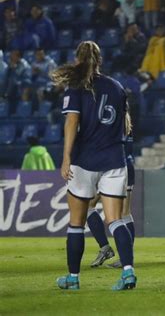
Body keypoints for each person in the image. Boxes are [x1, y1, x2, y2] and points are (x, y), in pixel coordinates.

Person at [52, 41, 136, 290]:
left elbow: (71, 123)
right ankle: (128, 273)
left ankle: (73, 279)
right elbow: (125, 125)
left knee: (76, 222)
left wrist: (66, 157)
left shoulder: (76, 86)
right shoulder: (117, 87)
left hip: (85, 160)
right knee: (115, 219)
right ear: (100, 60)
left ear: (78, 59)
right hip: (114, 159)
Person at [88, 124, 136, 268]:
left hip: (114, 167)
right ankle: (124, 255)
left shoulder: (109, 121)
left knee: (89, 206)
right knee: (124, 213)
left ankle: (108, 249)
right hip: (127, 165)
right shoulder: (126, 122)